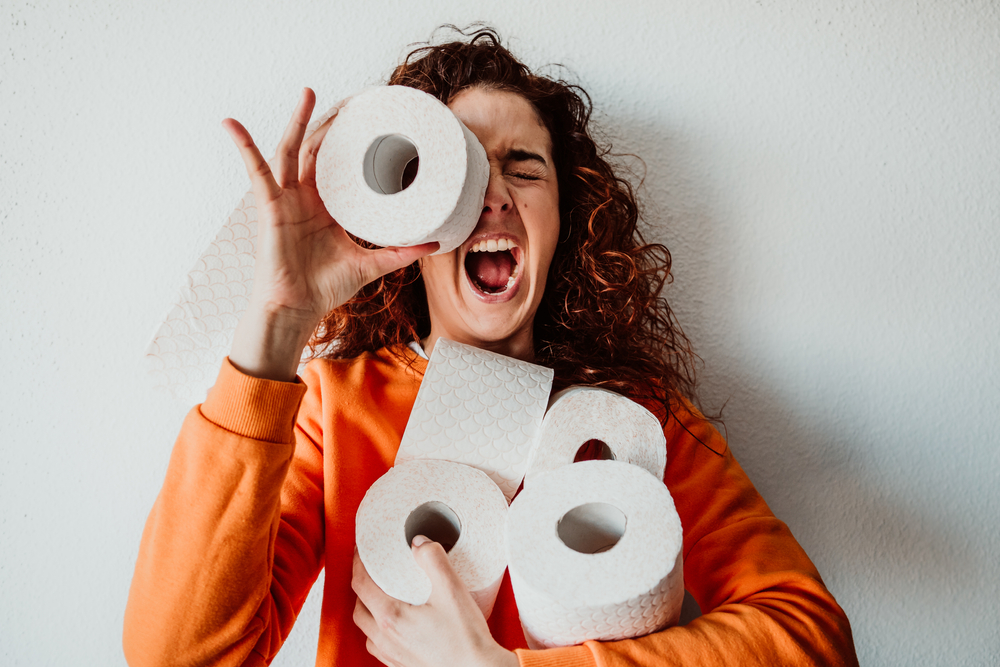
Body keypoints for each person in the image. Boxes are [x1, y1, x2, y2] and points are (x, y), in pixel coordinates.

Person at [123, 28, 858, 667]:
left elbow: (810, 638)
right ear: (414, 210)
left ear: (566, 218)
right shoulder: (335, 408)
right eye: (465, 168)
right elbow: (176, 653)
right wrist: (280, 318)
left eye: (524, 166)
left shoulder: (635, 423)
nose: (494, 193)